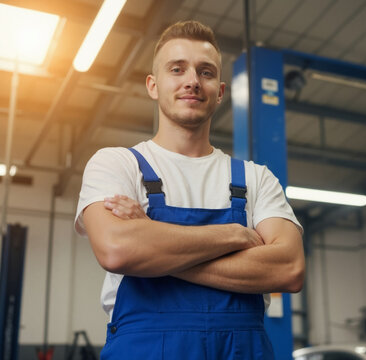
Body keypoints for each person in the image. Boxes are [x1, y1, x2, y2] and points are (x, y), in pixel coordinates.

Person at [74, 20, 304, 359]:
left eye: (206, 72)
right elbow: (116, 251)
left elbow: (289, 268)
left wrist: (151, 238)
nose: (192, 81)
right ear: (153, 85)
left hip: (243, 349)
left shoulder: (256, 178)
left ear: (221, 92)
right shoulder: (117, 164)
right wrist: (233, 236)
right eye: (177, 69)